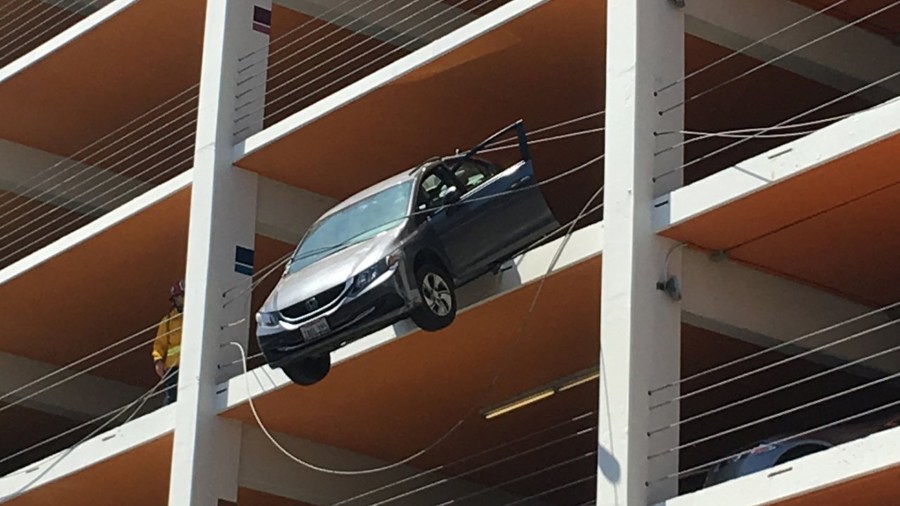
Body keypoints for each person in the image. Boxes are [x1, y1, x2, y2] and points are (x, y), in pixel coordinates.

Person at [152, 280, 184, 405]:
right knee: (172, 398)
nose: (179, 299)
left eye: (180, 296)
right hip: (173, 367)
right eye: (176, 297)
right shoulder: (168, 320)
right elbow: (159, 343)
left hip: (191, 364)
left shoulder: (195, 315)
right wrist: (158, 360)